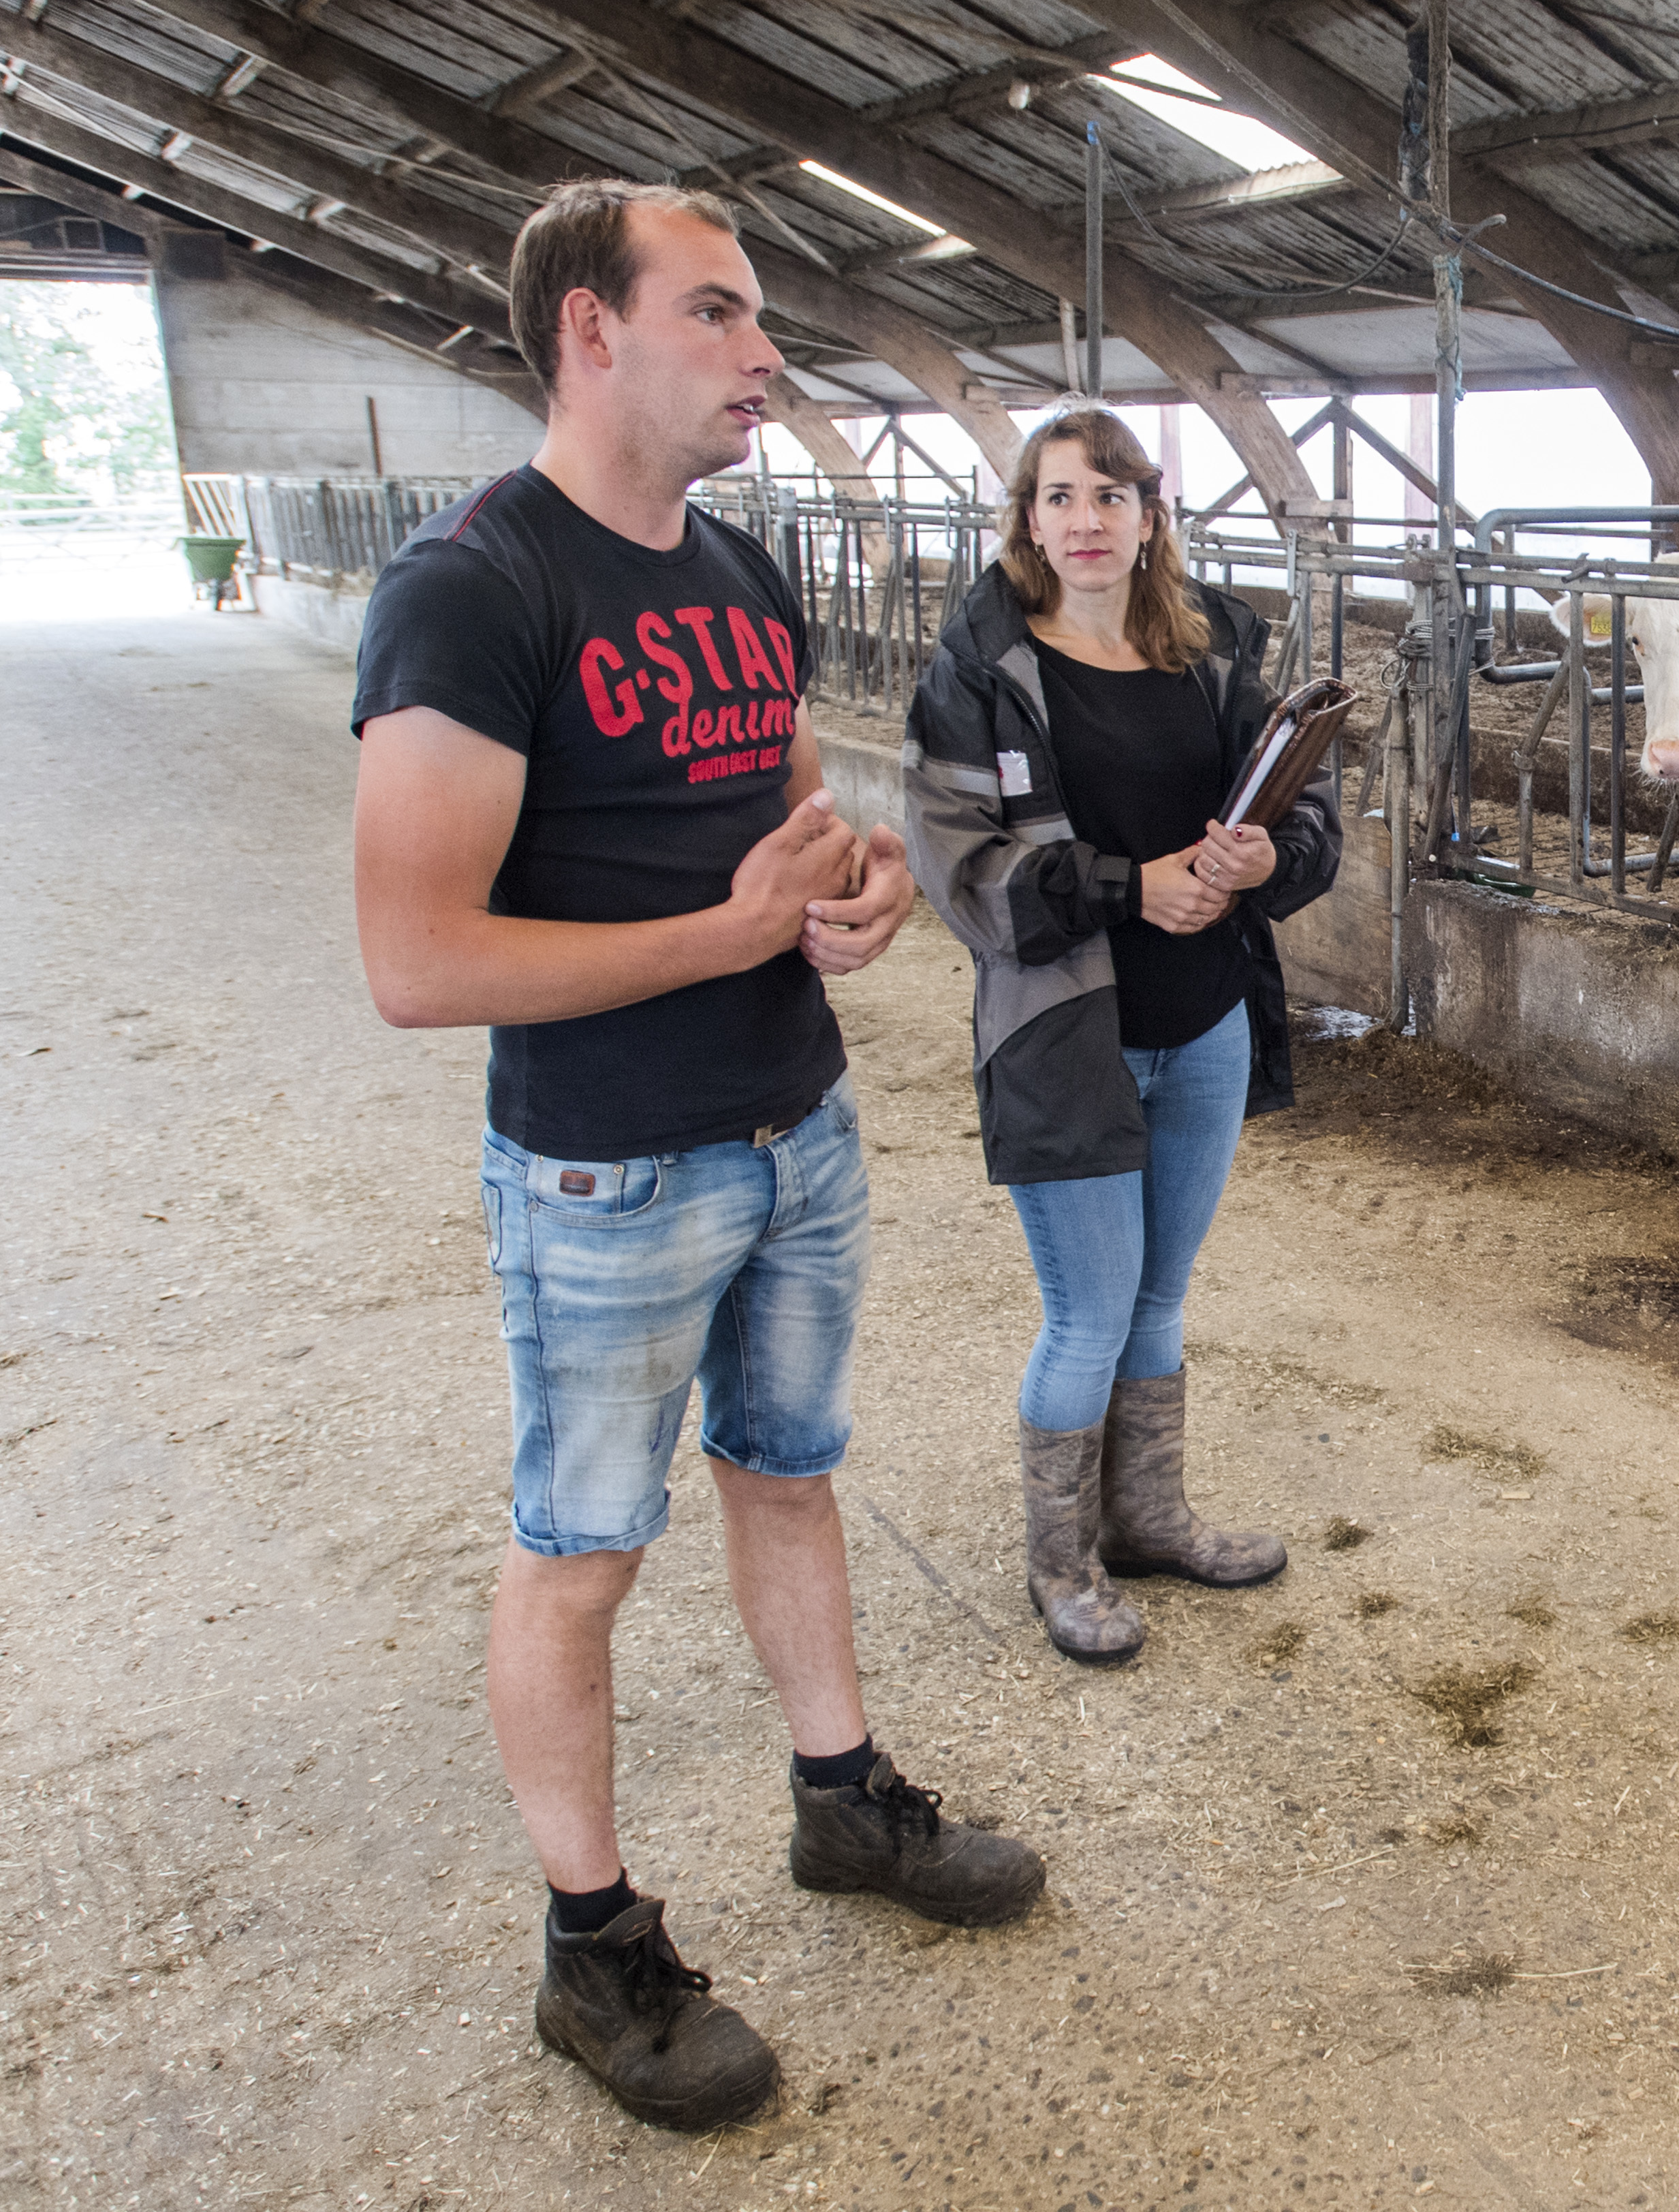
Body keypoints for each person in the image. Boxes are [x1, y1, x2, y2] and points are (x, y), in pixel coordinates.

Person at [349, 179, 1044, 2136]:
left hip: (792, 1123)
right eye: (725, 313)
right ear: (591, 329)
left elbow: (793, 800)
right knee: (583, 1554)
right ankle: (595, 1949)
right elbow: (417, 963)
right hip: (606, 1169)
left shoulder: (736, 569)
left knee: (792, 1474)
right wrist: (723, 940)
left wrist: (859, 885)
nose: (768, 355)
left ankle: (843, 1803)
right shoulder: (474, 591)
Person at [903, 409, 1342, 1664]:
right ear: (1027, 521)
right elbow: (964, 869)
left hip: (1204, 1021)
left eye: (1109, 495)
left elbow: (1306, 812)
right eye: (1057, 497)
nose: (1084, 521)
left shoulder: (1211, 657)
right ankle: (1062, 1561)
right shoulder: (980, 676)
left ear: (1152, 514)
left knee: (1156, 1303)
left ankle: (1149, 1516)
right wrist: (1126, 887)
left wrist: (1269, 855)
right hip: (1064, 1033)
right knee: (1087, 1315)